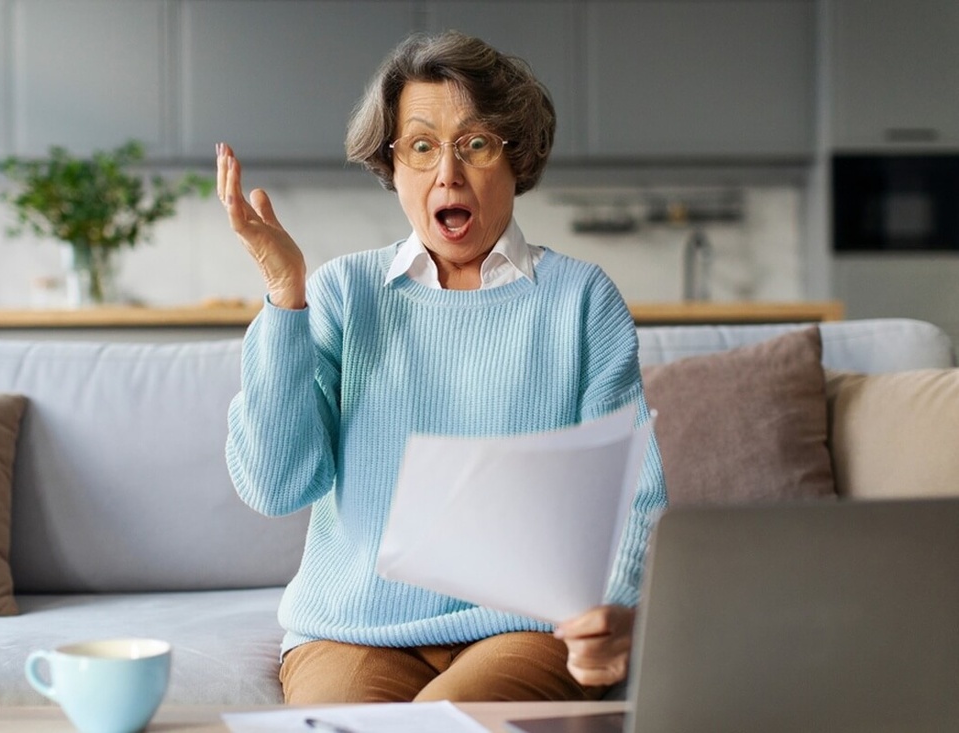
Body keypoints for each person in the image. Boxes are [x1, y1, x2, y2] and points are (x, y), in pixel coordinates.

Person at [218, 30, 667, 704]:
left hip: (524, 626)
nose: (447, 174)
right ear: (391, 166)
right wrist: (286, 298)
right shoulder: (343, 293)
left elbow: (636, 493)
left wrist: (614, 608)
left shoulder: (580, 299)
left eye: (476, 144)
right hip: (352, 629)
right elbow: (275, 485)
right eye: (422, 147)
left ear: (517, 156)